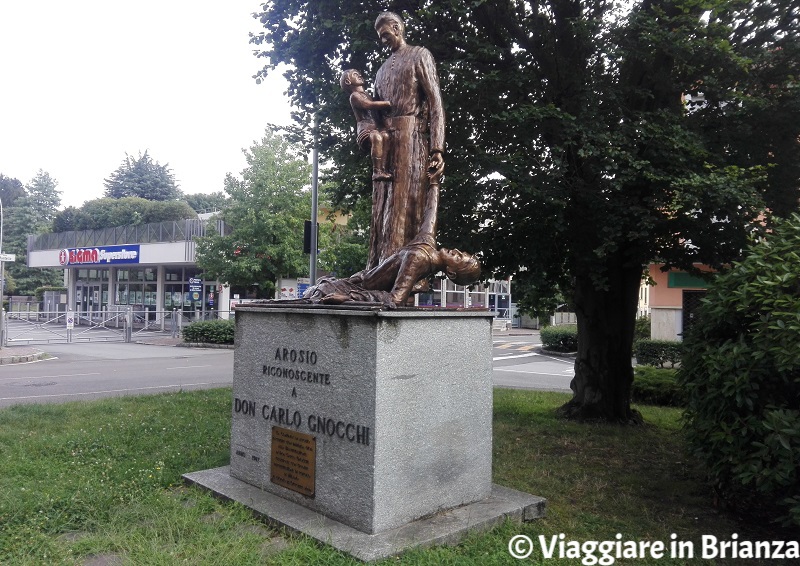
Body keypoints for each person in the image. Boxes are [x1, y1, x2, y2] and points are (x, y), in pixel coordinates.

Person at [368, 11, 445, 269]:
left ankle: (402, 271)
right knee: (383, 207)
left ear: (397, 28)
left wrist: (437, 147)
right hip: (388, 142)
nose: (383, 41)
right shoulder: (380, 71)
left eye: (386, 35)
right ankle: (378, 269)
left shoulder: (419, 55)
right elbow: (373, 112)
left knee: (406, 204)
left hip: (412, 139)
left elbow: (435, 102)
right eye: (380, 38)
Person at [340, 69, 392, 181]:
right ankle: (376, 171)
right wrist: (388, 103)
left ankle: (384, 167)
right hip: (366, 129)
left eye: (359, 73)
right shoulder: (354, 96)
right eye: (355, 74)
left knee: (386, 137)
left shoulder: (367, 94)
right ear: (348, 82)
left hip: (377, 127)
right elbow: (368, 105)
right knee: (377, 137)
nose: (359, 75)